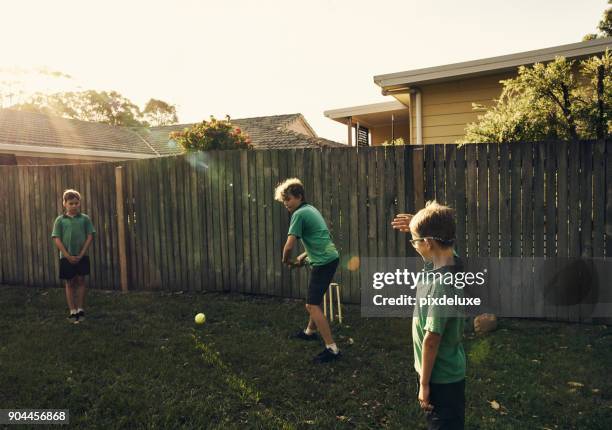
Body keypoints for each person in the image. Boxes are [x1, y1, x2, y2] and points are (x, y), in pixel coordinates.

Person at [393, 202, 466, 430]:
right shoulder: (446, 263)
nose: (414, 245)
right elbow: (440, 239)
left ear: (428, 242)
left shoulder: (441, 285)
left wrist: (424, 384)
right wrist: (421, 222)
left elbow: (431, 339)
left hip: (440, 376)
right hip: (446, 371)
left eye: (415, 241)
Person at [274, 178, 341, 363]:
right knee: (315, 299)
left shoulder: (299, 214)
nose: (286, 203)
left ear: (299, 196)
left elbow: (288, 246)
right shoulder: (310, 209)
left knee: (311, 304)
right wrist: (302, 258)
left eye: (288, 199)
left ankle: (332, 348)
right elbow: (319, 239)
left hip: (324, 263)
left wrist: (286, 260)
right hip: (328, 259)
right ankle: (310, 332)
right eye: (284, 200)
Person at [51, 189, 96, 324]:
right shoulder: (60, 220)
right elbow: (56, 239)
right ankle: (73, 311)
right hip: (66, 258)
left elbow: (90, 235)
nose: (74, 206)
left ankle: (80, 309)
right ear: (64, 203)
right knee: (70, 283)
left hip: (82, 256)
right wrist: (67, 255)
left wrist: (81, 254)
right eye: (71, 203)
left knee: (81, 281)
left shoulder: (85, 219)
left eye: (76, 203)